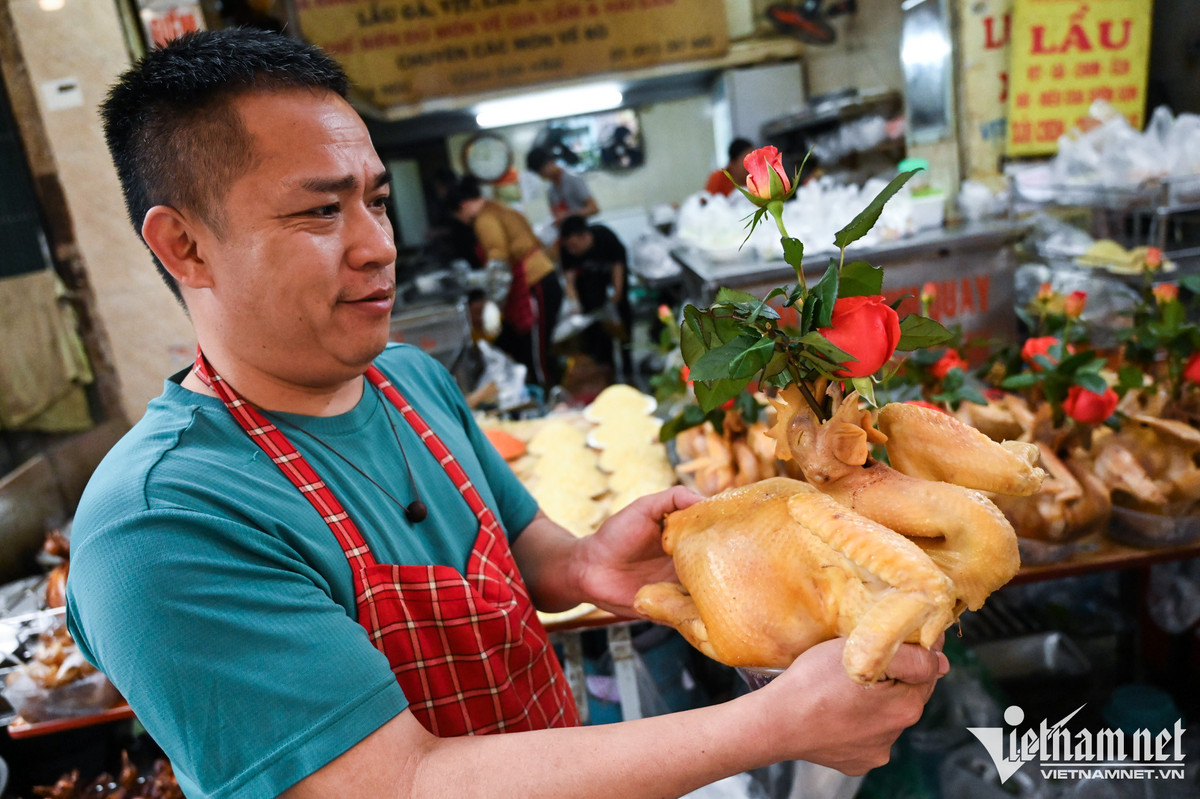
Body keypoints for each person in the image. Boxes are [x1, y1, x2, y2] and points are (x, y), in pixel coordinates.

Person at [67, 28, 946, 799]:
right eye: (321, 210)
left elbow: (515, 549)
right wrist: (769, 725)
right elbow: (396, 783)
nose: (378, 245)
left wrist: (585, 562)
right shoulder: (161, 527)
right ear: (185, 245)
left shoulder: (409, 380)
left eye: (376, 201)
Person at [447, 176, 560, 387]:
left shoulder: (484, 219)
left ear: (464, 206)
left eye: (459, 215)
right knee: (539, 346)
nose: (463, 221)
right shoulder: (499, 208)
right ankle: (545, 387)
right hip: (544, 276)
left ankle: (544, 393)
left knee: (536, 351)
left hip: (535, 280)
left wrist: (493, 303)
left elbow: (498, 262)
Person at [559, 214, 633, 380]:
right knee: (597, 332)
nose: (572, 251)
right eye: (569, 247)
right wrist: (574, 304)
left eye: (574, 246)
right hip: (590, 290)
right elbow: (569, 279)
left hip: (612, 285)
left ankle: (628, 365)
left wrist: (617, 292)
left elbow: (618, 265)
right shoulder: (567, 249)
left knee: (623, 325)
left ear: (584, 236)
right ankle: (606, 368)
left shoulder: (605, 236)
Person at [525, 145, 600, 225]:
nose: (542, 176)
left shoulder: (573, 179)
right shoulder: (551, 190)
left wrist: (568, 216)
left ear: (549, 164)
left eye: (541, 172)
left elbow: (594, 209)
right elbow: (555, 214)